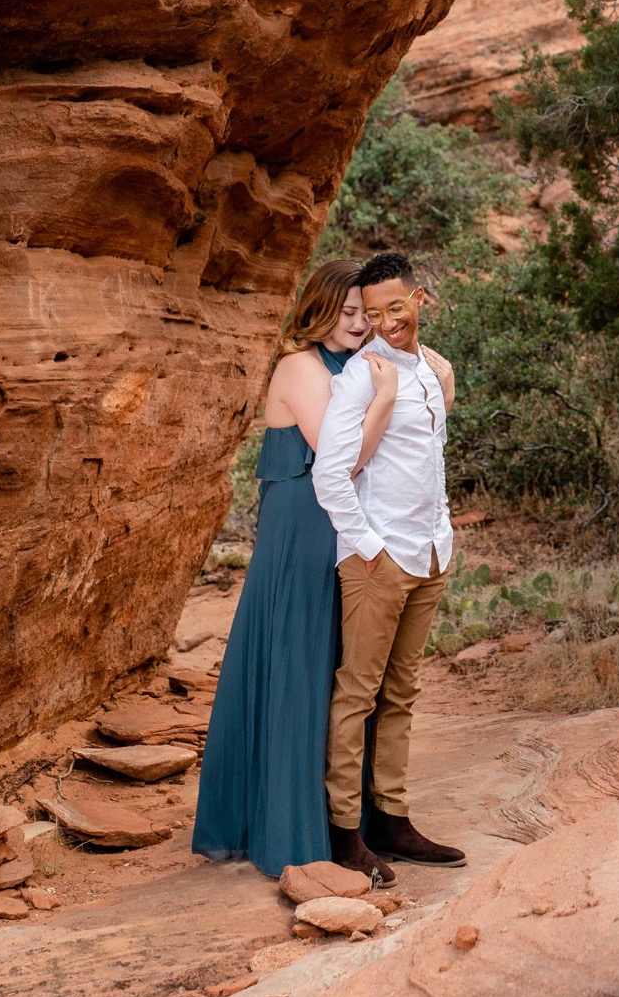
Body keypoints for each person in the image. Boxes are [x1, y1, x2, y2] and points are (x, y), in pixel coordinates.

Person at [192, 261, 397, 878]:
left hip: (344, 528)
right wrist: (386, 397)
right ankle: (295, 833)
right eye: (348, 311)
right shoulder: (301, 367)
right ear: (320, 308)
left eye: (367, 312)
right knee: (302, 664)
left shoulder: (353, 365)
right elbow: (349, 458)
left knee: (343, 669)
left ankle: (346, 821)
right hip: (304, 532)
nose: (359, 324)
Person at [312, 249, 466, 882]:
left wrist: (445, 530)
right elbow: (331, 472)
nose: (383, 322)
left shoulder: (433, 370)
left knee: (401, 693)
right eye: (371, 313)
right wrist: (368, 546)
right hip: (381, 558)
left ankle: (393, 820)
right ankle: (345, 834)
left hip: (431, 551)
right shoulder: (360, 376)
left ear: (420, 299)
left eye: (394, 308)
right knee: (358, 693)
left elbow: (431, 459)